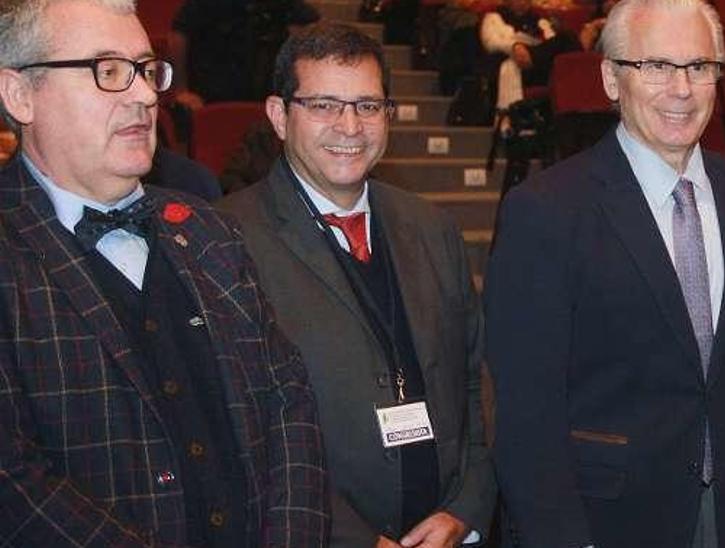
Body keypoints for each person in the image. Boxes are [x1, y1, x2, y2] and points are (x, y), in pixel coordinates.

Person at [0, 0, 328, 544]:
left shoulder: (209, 230)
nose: (145, 95)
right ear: (19, 94)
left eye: (147, 70)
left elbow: (287, 400)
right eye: (107, 71)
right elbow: (14, 482)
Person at [483, 0, 725, 546]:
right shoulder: (546, 210)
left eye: (699, 67)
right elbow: (526, 411)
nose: (682, 88)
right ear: (611, 79)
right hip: (605, 519)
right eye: (657, 67)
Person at [217, 23, 495, 548]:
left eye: (368, 106)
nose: (350, 125)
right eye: (323, 105)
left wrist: (466, 508)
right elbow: (240, 429)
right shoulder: (226, 240)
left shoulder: (432, 226)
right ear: (279, 115)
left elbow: (474, 381)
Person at [171, 0, 319, 109]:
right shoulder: (204, 5)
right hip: (210, 97)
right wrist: (181, 90)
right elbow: (179, 35)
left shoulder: (284, 5)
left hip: (266, 97)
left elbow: (310, 26)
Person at [480, 0, 580, 112]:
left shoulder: (539, 20)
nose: (523, 2)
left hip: (539, 63)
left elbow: (549, 41)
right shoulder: (494, 17)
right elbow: (491, 42)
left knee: (568, 38)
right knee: (566, 39)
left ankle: (577, 104)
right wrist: (514, 46)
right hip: (516, 63)